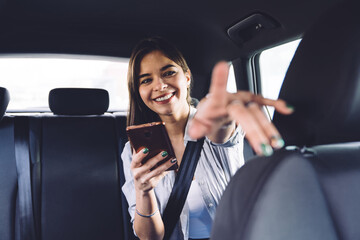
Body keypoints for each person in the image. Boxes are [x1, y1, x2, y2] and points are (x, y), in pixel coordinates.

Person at [121, 37, 293, 240]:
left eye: (169, 73)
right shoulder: (134, 152)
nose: (160, 85)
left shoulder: (210, 125)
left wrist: (225, 111)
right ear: (139, 91)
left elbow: (221, 129)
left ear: (186, 77)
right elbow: (150, 238)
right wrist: (143, 191)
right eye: (146, 80)